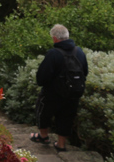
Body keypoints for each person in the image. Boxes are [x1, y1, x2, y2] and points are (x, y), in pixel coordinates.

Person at [31, 24, 88, 153]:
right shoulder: (79, 52)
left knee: (43, 112)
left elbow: (42, 77)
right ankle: (61, 145)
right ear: (67, 36)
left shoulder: (53, 53)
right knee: (66, 118)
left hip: (53, 94)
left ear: (55, 39)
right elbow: (85, 71)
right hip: (73, 93)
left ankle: (44, 136)